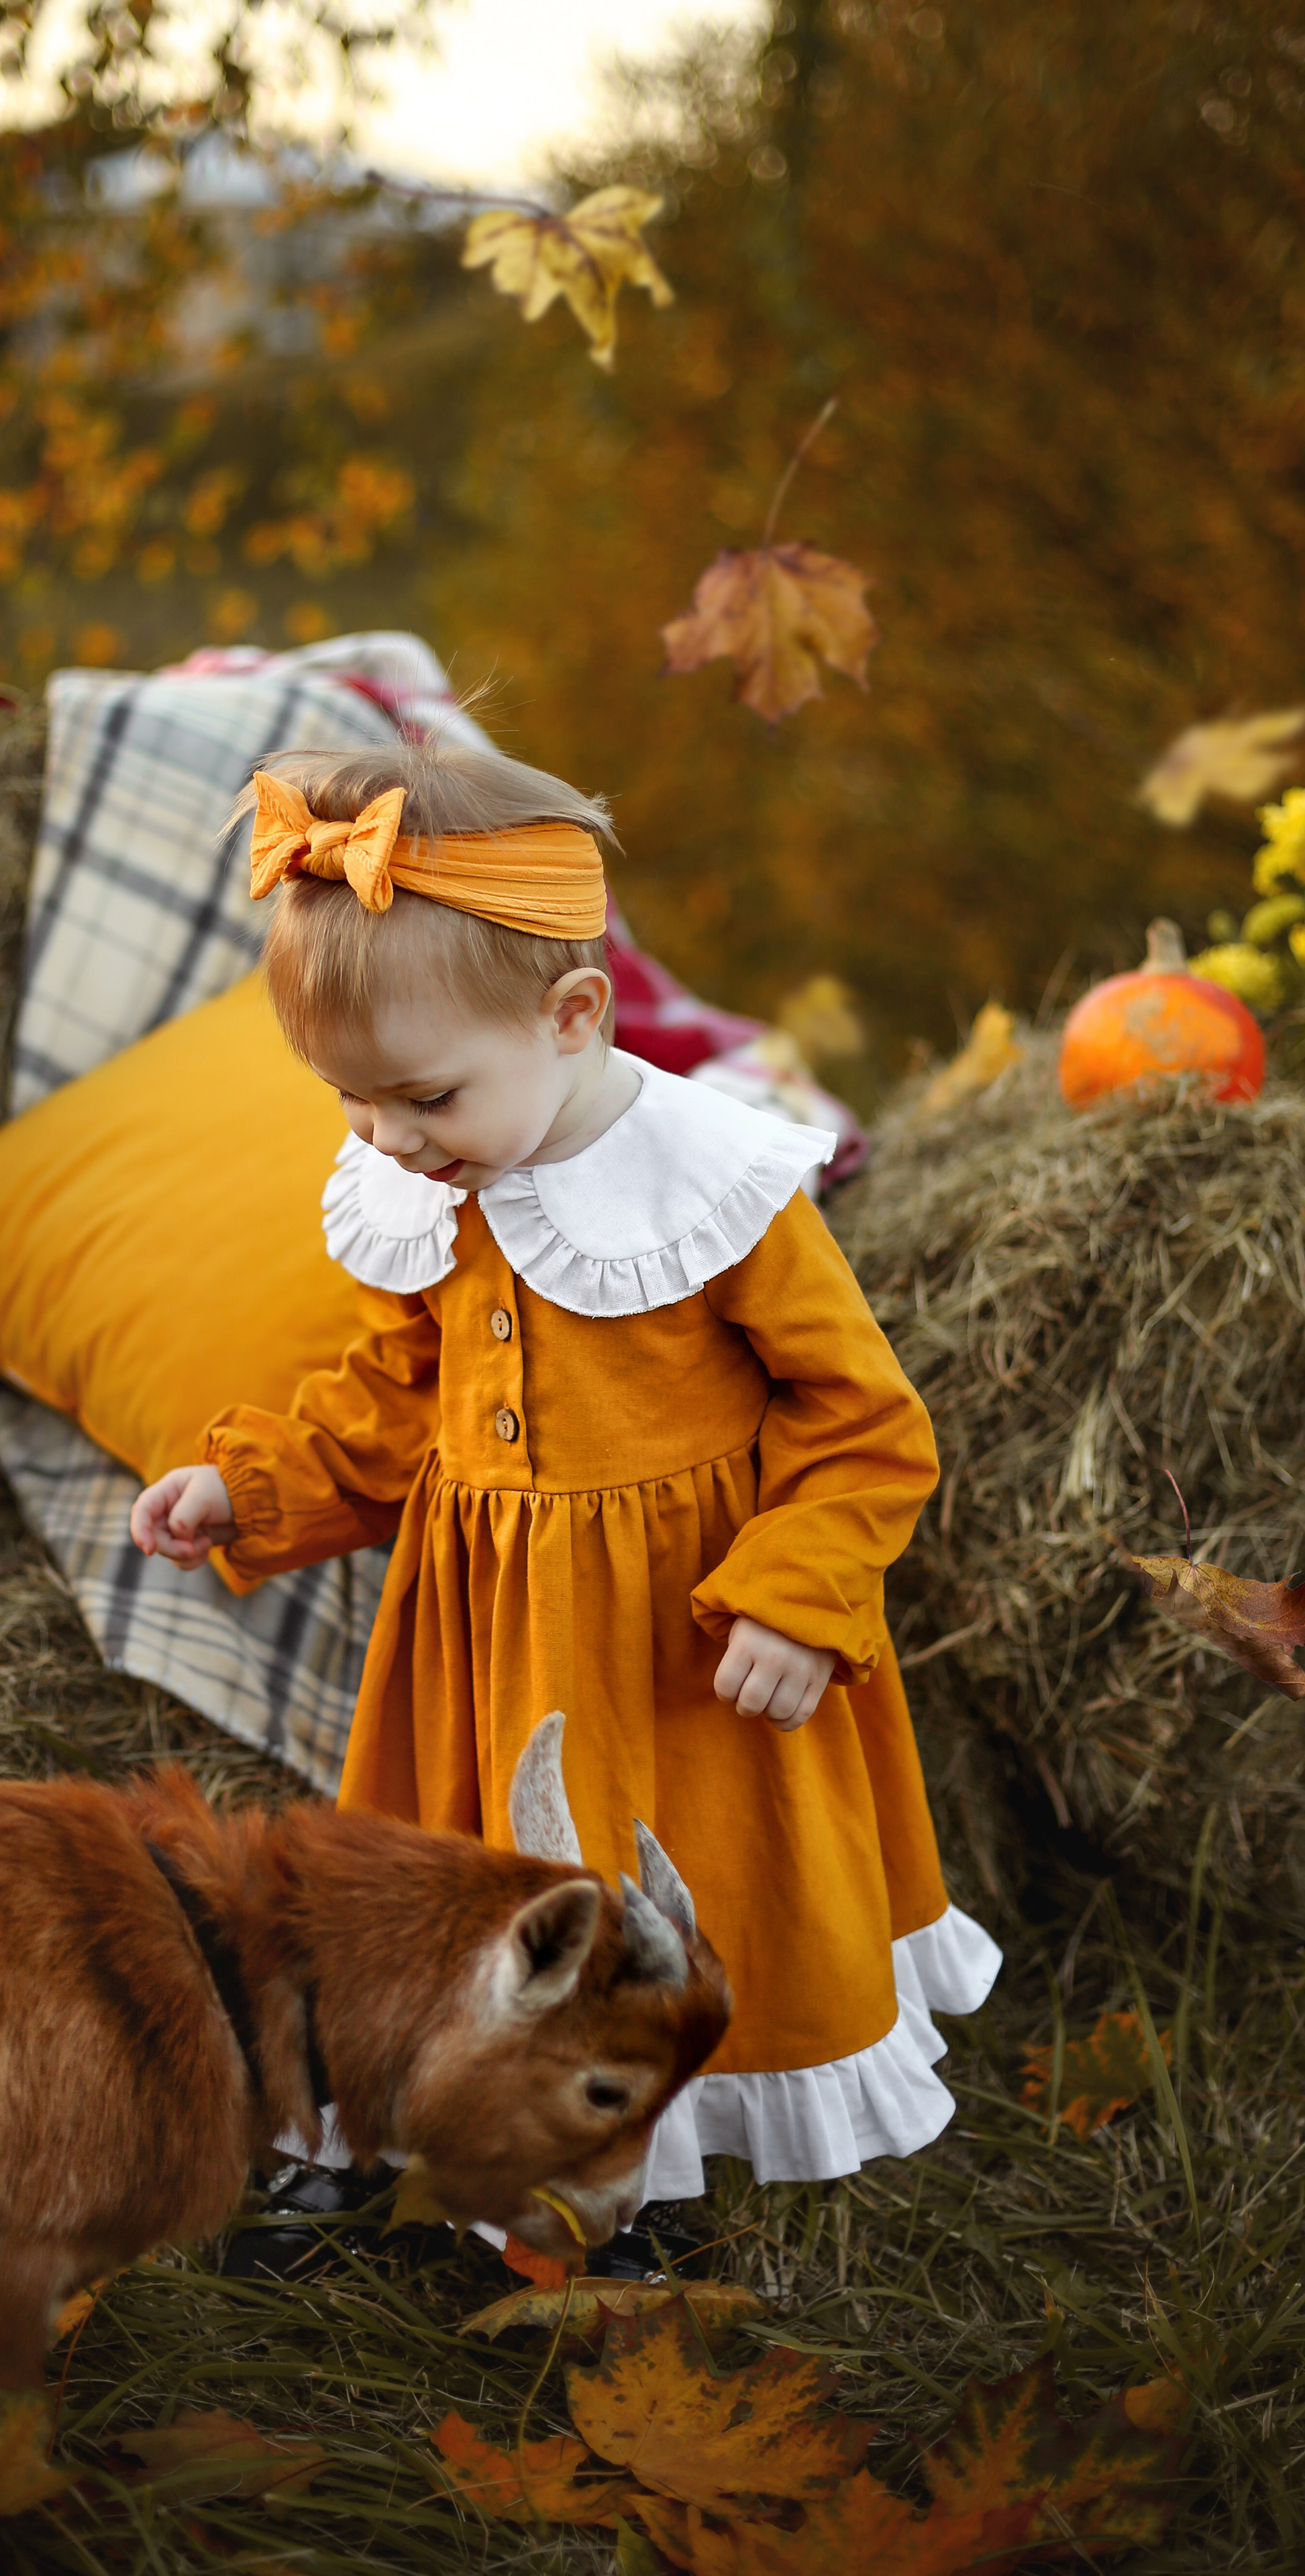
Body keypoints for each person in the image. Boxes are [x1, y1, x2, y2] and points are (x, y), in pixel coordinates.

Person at [132, 738, 1000, 2215]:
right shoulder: (437, 1178)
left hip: (679, 1651)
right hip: (490, 1646)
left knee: (681, 1891)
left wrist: (796, 1598)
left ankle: (652, 2164)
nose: (391, 1144)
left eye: (419, 1098)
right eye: (352, 1106)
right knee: (492, 1901)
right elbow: (400, 1400)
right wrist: (252, 1484)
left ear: (574, 1014)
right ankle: (475, 2133)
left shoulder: (710, 1192)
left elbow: (860, 1420)